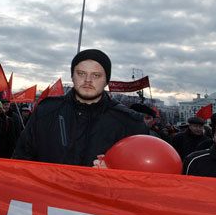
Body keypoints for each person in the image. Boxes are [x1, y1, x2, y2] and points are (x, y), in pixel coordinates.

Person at [12, 49, 147, 165]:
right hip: (48, 194)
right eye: (81, 73)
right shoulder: (45, 112)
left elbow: (141, 177)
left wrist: (113, 173)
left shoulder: (129, 123)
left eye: (96, 75)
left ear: (106, 80)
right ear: (72, 76)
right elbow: (21, 160)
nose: (88, 80)